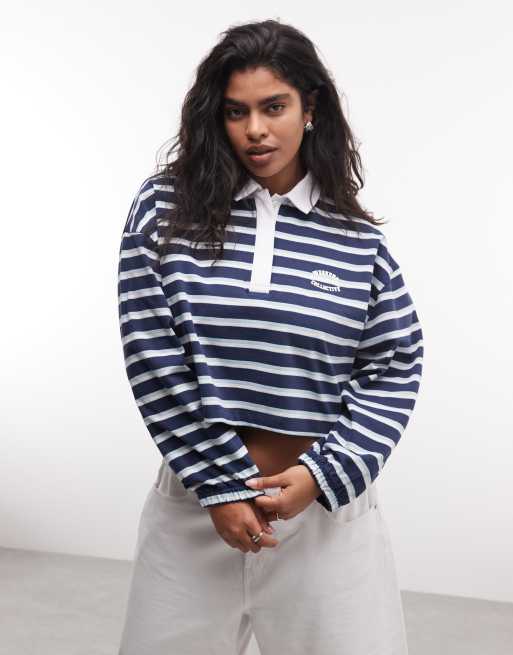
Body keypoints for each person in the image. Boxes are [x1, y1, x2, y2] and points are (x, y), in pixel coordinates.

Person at [116, 18, 424, 655]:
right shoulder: (165, 210)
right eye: (237, 111)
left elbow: (394, 367)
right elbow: (153, 354)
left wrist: (322, 474)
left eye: (274, 107)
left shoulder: (358, 242)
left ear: (310, 109)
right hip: (195, 509)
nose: (255, 129)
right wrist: (221, 485)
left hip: (325, 521)